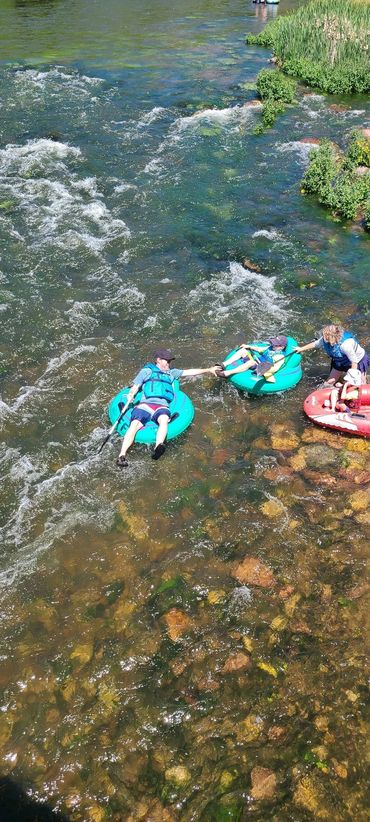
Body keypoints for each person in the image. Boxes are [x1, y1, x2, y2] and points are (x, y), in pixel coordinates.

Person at [116, 348, 218, 467]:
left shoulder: (171, 373)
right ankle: (122, 456)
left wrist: (209, 370)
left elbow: (189, 372)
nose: (169, 364)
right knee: (135, 424)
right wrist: (130, 395)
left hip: (162, 406)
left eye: (170, 362)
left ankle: (158, 447)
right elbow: (135, 385)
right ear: (158, 360)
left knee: (163, 419)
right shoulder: (147, 371)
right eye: (167, 361)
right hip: (146, 404)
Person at [294, 325, 369, 385]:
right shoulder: (325, 339)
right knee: (330, 382)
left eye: (325, 335)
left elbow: (354, 362)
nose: (323, 337)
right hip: (340, 361)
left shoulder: (346, 345)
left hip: (358, 360)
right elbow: (315, 344)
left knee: (361, 383)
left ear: (331, 337)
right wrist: (301, 349)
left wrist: (352, 378)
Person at [216, 335, 288, 383]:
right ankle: (224, 364)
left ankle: (227, 373)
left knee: (251, 362)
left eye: (275, 344)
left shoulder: (280, 356)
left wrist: (264, 369)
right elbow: (260, 349)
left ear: (281, 347)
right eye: (273, 343)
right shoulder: (270, 348)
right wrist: (249, 346)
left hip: (261, 367)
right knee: (243, 351)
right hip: (256, 360)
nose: (272, 345)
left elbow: (275, 368)